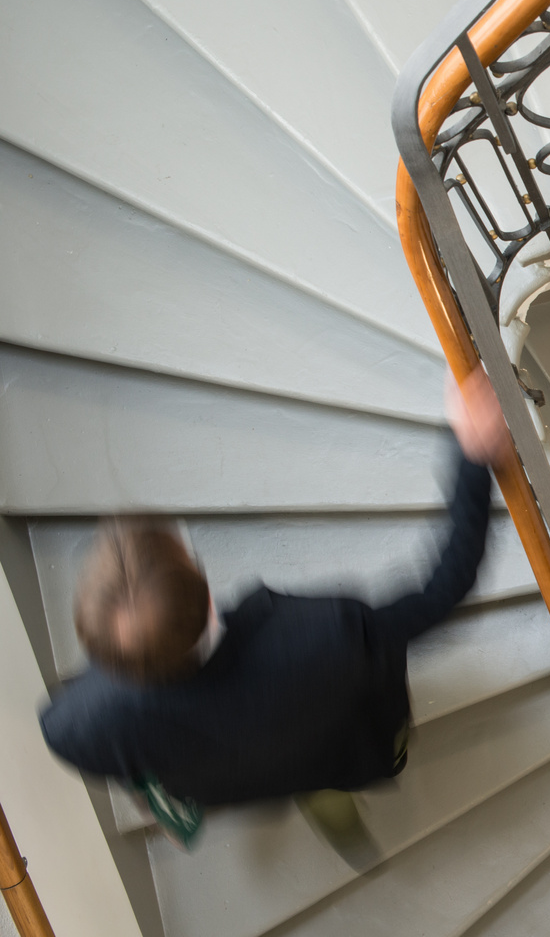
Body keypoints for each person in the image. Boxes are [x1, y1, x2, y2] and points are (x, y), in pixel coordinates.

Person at [38, 369, 514, 863]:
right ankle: (329, 787)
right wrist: (472, 454)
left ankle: (322, 792)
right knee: (323, 754)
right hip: (339, 737)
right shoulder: (329, 638)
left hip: (242, 775)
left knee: (297, 766)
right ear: (202, 593)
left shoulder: (77, 722)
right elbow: (445, 586)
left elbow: (86, 745)